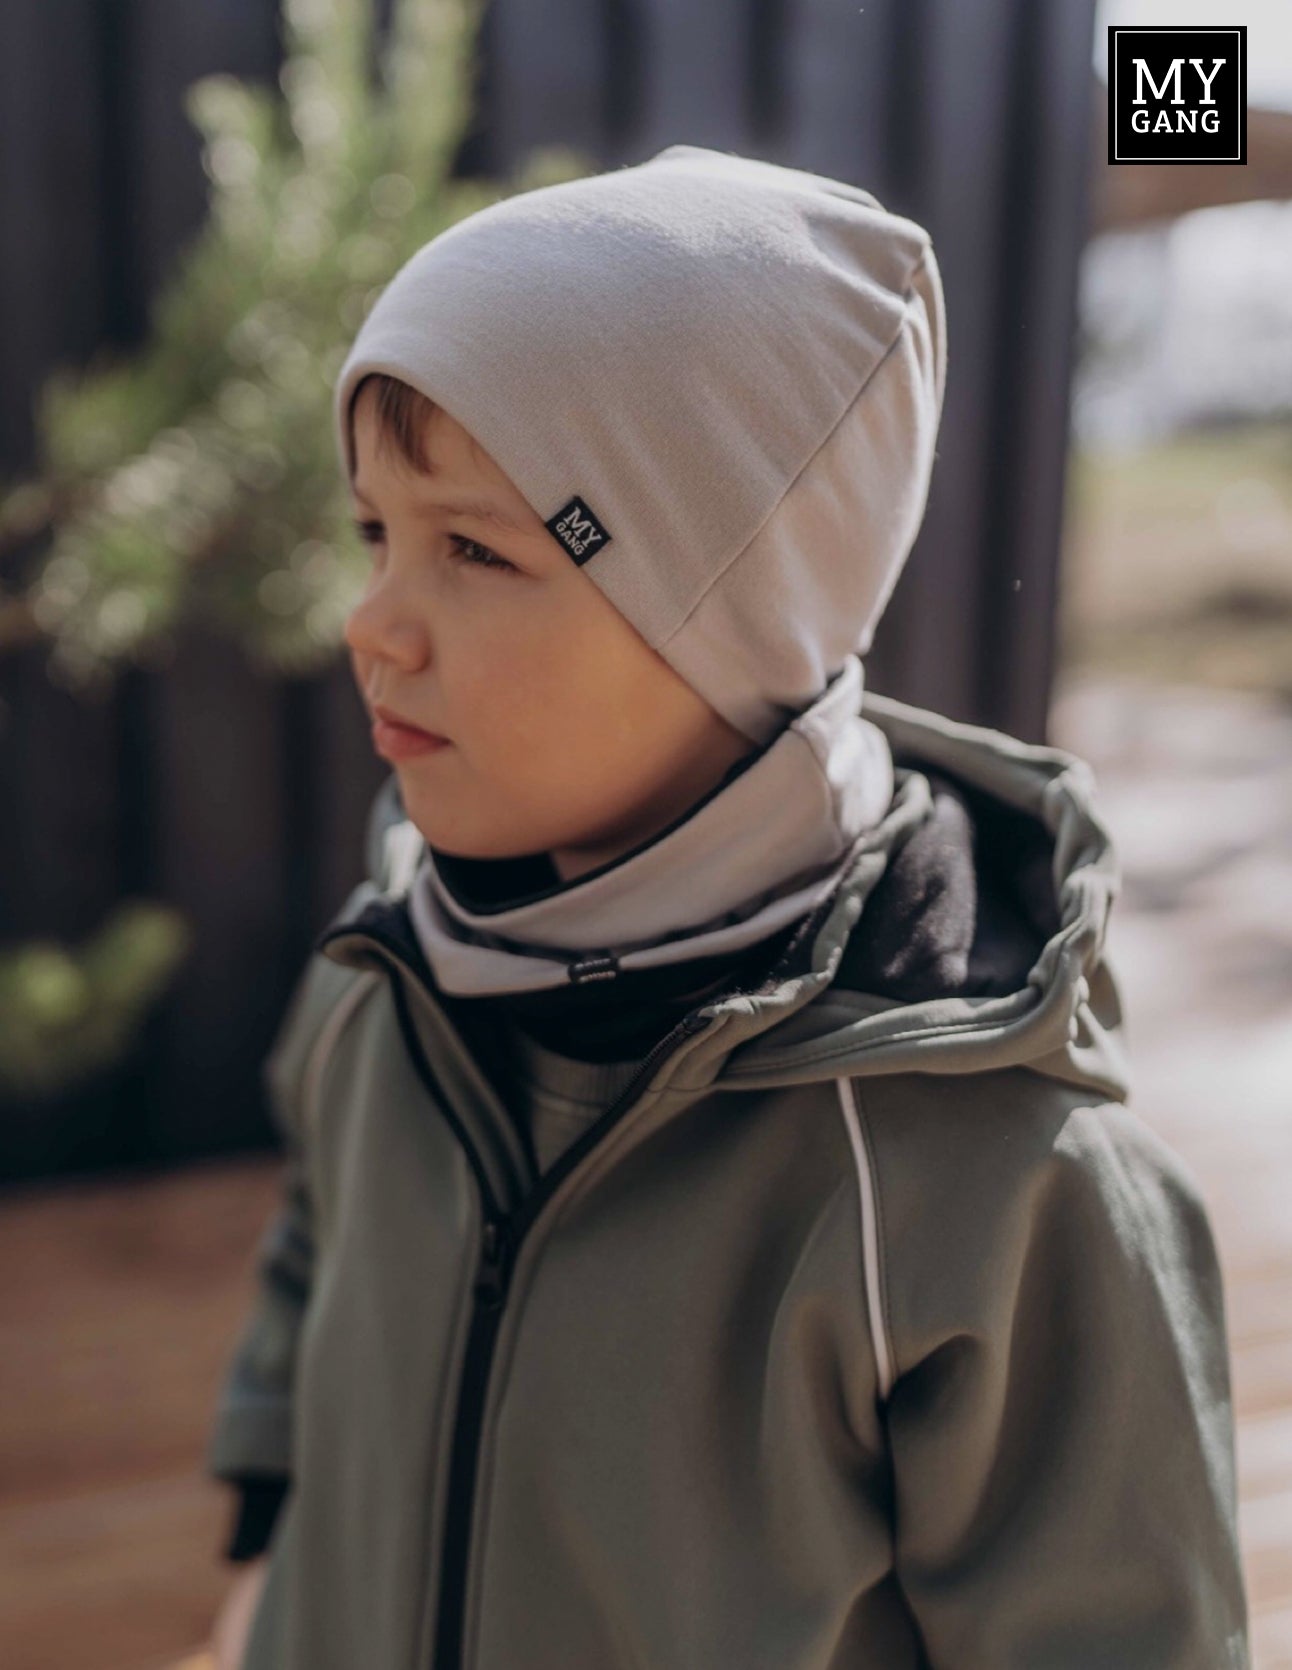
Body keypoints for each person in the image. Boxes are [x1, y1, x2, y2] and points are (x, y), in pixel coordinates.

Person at [203, 144, 1250, 1669]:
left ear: (732, 619)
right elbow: (318, 1251)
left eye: (474, 550)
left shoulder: (993, 1176)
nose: (372, 619)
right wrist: (266, 1560)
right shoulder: (389, 969)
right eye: (376, 534)